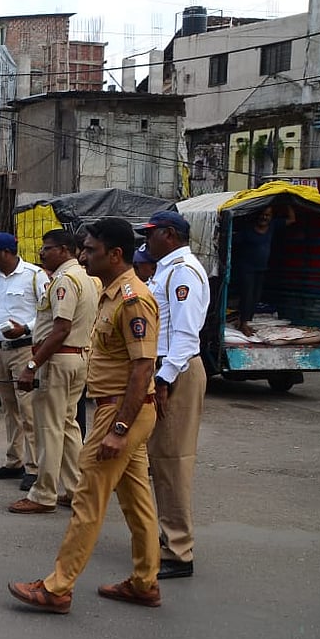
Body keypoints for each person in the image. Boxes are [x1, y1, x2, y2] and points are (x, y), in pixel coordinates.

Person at [8, 217, 162, 614]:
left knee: (88, 501)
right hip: (122, 410)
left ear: (115, 254)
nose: (83, 254)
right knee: (137, 502)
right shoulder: (109, 292)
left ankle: (58, 587)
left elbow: (144, 368)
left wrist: (120, 429)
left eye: (91, 249)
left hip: (121, 413)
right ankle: (145, 582)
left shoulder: (132, 299)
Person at [138, 210, 210, 580]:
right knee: (157, 461)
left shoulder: (183, 271)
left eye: (151, 233)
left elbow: (185, 335)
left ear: (169, 234)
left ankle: (179, 550)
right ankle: (165, 539)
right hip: (163, 369)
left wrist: (163, 380)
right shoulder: (167, 268)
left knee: (173, 461)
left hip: (175, 371)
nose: (146, 240)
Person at [10, 229, 98, 515]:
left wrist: (32, 365)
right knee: (69, 426)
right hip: (76, 358)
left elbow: (61, 328)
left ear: (63, 249)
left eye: (47, 248)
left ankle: (44, 493)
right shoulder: (83, 276)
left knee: (50, 428)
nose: (41, 253)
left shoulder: (65, 280)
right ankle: (74, 489)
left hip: (58, 360)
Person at [0, 232, 50, 491]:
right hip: (0, 349)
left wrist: (25, 329)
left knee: (28, 409)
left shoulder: (34, 275)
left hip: (24, 349)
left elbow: (48, 314)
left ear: (6, 252)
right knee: (9, 409)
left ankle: (34, 467)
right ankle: (14, 460)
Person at [232, 203, 295, 335]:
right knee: (247, 296)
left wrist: (287, 201)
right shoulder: (247, 230)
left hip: (261, 269)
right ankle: (243, 323)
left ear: (271, 217)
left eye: (267, 215)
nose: (264, 217)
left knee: (256, 297)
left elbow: (291, 219)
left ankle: (244, 321)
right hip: (246, 269)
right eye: (262, 214)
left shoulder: (272, 226)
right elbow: (232, 242)